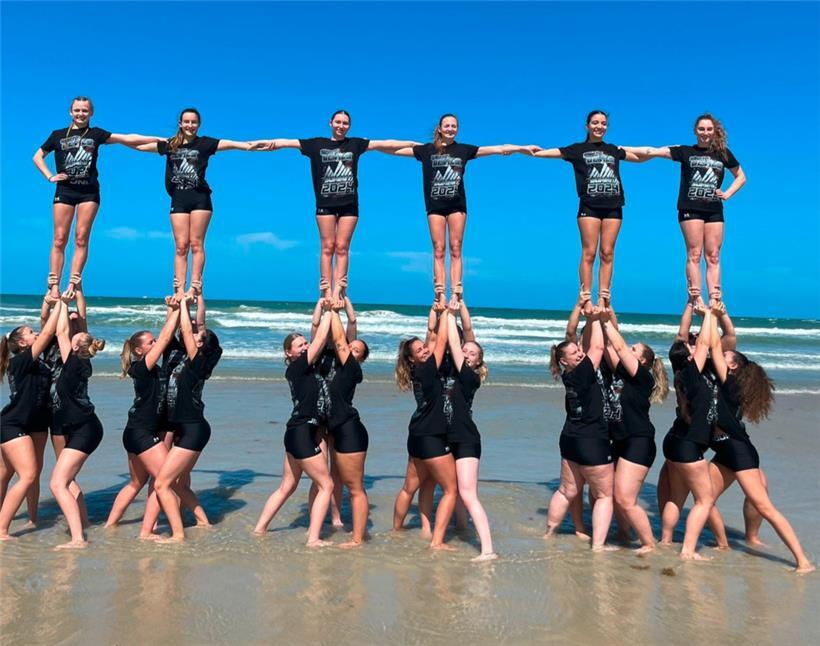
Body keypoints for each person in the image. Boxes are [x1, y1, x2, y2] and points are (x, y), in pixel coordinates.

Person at [250, 111, 419, 300]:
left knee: (342, 247)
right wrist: (265, 143)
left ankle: (339, 288)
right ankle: (326, 290)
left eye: (345, 123)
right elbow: (287, 142)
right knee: (327, 247)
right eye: (338, 122)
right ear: (330, 123)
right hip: (325, 204)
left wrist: (413, 144)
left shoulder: (355, 144)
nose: (341, 125)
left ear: (349, 126)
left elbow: (384, 144)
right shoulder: (316, 144)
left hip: (350, 205)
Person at [702, 313, 813, 573]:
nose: (723, 355)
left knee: (764, 505)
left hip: (739, 452)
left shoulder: (730, 385)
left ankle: (803, 561)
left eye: (727, 358)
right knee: (704, 498)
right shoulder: (725, 383)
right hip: (724, 451)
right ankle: (723, 544)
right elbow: (723, 342)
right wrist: (721, 316)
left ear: (732, 367)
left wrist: (710, 313)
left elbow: (717, 345)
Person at [388, 114, 536, 305]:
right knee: (438, 250)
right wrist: (370, 147)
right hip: (435, 206)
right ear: (440, 128)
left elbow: (497, 148)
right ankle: (439, 292)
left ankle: (456, 292)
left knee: (456, 248)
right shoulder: (426, 150)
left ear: (457, 129)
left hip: (457, 205)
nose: (450, 128)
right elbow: (396, 150)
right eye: (447, 126)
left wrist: (520, 148)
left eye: (454, 126)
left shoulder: (464, 150)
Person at [33, 96, 163, 298]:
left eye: (85, 110)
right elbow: (37, 156)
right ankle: (54, 284)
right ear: (70, 112)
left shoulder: (96, 134)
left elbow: (127, 138)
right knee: (59, 239)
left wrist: (160, 139)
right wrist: (50, 176)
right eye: (77, 110)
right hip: (65, 191)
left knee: (81, 238)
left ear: (91, 113)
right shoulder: (57, 135)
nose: (80, 114)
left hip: (89, 192)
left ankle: (73, 282)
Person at [127, 108, 258, 300]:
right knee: (181, 246)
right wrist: (122, 140)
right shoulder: (170, 145)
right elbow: (139, 147)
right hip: (178, 199)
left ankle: (195, 286)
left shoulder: (204, 143)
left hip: (200, 199)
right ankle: (179, 288)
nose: (190, 125)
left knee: (196, 244)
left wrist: (247, 146)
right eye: (186, 122)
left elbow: (228, 144)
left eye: (194, 122)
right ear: (180, 123)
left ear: (199, 124)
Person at [106, 299, 208, 540]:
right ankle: (165, 533)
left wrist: (178, 308)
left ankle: (109, 527)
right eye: (149, 342)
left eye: (153, 340)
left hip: (135, 432)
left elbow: (167, 336)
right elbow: (164, 338)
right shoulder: (141, 367)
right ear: (140, 350)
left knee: (136, 483)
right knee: (164, 482)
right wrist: (176, 308)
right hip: (142, 434)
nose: (156, 344)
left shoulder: (154, 369)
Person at [528, 111, 645, 311]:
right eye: (595, 123)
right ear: (587, 126)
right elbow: (551, 153)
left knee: (607, 253)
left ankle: (604, 297)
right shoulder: (577, 149)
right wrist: (528, 150)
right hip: (589, 206)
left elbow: (639, 158)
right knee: (589, 253)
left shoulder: (613, 149)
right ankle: (586, 297)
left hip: (614, 205)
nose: (599, 126)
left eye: (603, 123)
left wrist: (660, 152)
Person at [625, 114, 746, 306]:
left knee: (713, 255)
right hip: (690, 208)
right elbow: (652, 151)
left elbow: (741, 176)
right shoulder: (685, 151)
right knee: (695, 254)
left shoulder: (723, 153)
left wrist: (728, 193)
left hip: (714, 209)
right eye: (701, 129)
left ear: (714, 131)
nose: (705, 133)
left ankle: (715, 298)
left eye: (709, 129)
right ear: (695, 131)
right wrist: (621, 149)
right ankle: (696, 295)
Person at [253, 300, 335, 547]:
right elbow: (320, 340)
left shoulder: (308, 368)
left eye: (305, 344)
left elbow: (316, 335)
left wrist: (321, 307)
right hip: (301, 432)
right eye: (299, 345)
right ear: (289, 353)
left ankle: (259, 530)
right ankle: (313, 539)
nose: (305, 347)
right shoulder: (297, 368)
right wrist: (331, 310)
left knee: (287, 486)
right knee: (327, 484)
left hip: (299, 431)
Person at [545, 307, 616, 551]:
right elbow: (596, 348)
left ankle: (550, 533)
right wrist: (594, 318)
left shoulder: (568, 375)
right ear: (564, 361)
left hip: (570, 438)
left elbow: (583, 344)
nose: (580, 353)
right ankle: (598, 546)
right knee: (605, 495)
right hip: (591, 439)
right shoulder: (583, 372)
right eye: (575, 352)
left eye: (578, 350)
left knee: (566, 491)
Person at [151, 296, 221, 543]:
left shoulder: (199, 361)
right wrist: (191, 297)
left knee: (162, 483)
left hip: (193, 429)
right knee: (177, 483)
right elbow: (181, 331)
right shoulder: (187, 355)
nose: (192, 334)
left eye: (197, 336)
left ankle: (178, 535)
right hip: (185, 426)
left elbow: (191, 328)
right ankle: (203, 521)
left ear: (202, 346)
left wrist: (183, 302)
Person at [600, 306, 669, 553]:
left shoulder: (643, 378)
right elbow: (610, 346)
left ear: (640, 361)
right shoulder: (621, 372)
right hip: (620, 440)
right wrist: (606, 310)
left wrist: (604, 321)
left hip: (638, 441)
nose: (628, 349)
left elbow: (618, 346)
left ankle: (649, 543)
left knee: (625, 499)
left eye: (633, 350)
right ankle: (623, 534)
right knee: (617, 495)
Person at [394, 308, 459, 550]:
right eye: (420, 350)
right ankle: (437, 542)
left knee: (412, 486)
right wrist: (448, 315)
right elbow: (440, 340)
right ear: (413, 358)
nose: (425, 350)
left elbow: (431, 338)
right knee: (451, 489)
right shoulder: (428, 368)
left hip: (417, 435)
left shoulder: (418, 369)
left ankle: (396, 530)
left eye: (424, 347)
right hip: (431, 436)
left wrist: (435, 310)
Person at [660, 304, 720, 560]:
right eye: (691, 348)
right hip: (687, 444)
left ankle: (665, 540)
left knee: (676, 497)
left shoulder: (680, 370)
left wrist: (688, 304)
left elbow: (682, 336)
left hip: (674, 440)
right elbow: (705, 343)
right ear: (688, 357)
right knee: (704, 500)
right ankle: (687, 550)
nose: (695, 346)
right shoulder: (691, 373)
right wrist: (708, 315)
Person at [0, 298, 63, 540]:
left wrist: (50, 302)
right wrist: (61, 304)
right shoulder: (20, 361)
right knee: (24, 475)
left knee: (30, 474)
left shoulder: (40, 361)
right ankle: (3, 530)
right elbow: (47, 332)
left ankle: (32, 519)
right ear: (22, 343)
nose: (35, 333)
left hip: (37, 423)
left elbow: (47, 326)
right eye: (30, 333)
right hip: (13, 424)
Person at [49, 293, 106, 549]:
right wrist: (76, 295)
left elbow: (62, 330)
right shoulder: (83, 361)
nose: (70, 335)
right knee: (67, 481)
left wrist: (62, 302)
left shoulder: (73, 363)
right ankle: (82, 523)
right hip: (85, 427)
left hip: (85, 429)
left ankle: (77, 539)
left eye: (73, 338)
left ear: (74, 347)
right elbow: (78, 329)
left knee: (57, 483)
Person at [445, 299, 496, 560]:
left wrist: (449, 311)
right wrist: (462, 305)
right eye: (466, 351)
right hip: (447, 436)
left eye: (472, 354)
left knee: (467, 493)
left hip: (466, 438)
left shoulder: (469, 376)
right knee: (452, 490)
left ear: (477, 363)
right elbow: (466, 334)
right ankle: (462, 529)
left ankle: (487, 550)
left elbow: (457, 342)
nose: (466, 353)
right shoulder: (453, 368)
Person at [324, 299, 370, 548]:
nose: (351, 349)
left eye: (357, 350)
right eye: (352, 347)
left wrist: (334, 308)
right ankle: (336, 518)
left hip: (349, 429)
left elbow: (342, 337)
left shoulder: (352, 369)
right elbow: (342, 338)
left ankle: (357, 539)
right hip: (332, 427)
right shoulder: (335, 362)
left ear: (359, 358)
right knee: (334, 478)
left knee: (355, 487)